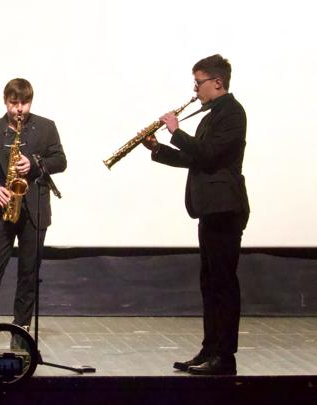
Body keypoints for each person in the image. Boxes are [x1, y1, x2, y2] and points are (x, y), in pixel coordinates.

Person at [142, 54, 249, 375]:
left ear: (217, 82)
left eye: (198, 82)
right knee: (209, 282)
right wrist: (158, 148)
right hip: (209, 208)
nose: (195, 89)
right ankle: (210, 349)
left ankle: (225, 357)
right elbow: (194, 160)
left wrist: (175, 131)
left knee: (223, 283)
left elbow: (209, 154)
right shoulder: (210, 116)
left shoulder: (232, 113)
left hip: (225, 207)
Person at [0, 78, 67, 347]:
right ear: (5, 101)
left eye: (24, 103)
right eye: (14, 103)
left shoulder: (46, 127)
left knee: (28, 274)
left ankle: (20, 332)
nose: (19, 109)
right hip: (2, 209)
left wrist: (34, 164)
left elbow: (60, 161)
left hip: (34, 209)